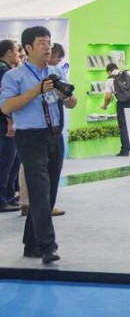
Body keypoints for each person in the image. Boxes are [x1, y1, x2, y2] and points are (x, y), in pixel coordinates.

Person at [0, 26, 77, 264]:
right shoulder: (14, 76)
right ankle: (47, 246)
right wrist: (37, 90)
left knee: (49, 192)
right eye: (42, 43)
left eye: (49, 43)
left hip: (54, 136)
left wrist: (66, 95)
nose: (48, 47)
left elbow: (72, 102)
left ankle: (31, 244)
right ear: (28, 48)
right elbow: (6, 107)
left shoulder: (56, 71)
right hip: (30, 138)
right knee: (40, 191)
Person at [101, 62, 130, 157]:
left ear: (109, 71)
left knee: (124, 126)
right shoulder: (128, 73)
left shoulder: (110, 79)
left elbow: (108, 97)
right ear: (117, 68)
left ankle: (125, 150)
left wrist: (105, 105)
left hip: (122, 104)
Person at [0, 40, 22, 213]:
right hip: (5, 123)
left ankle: (8, 195)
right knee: (6, 161)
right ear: (8, 52)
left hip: (6, 121)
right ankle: (3, 199)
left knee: (12, 161)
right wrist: (10, 120)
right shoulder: (4, 72)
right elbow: (6, 99)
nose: (18, 54)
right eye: (16, 51)